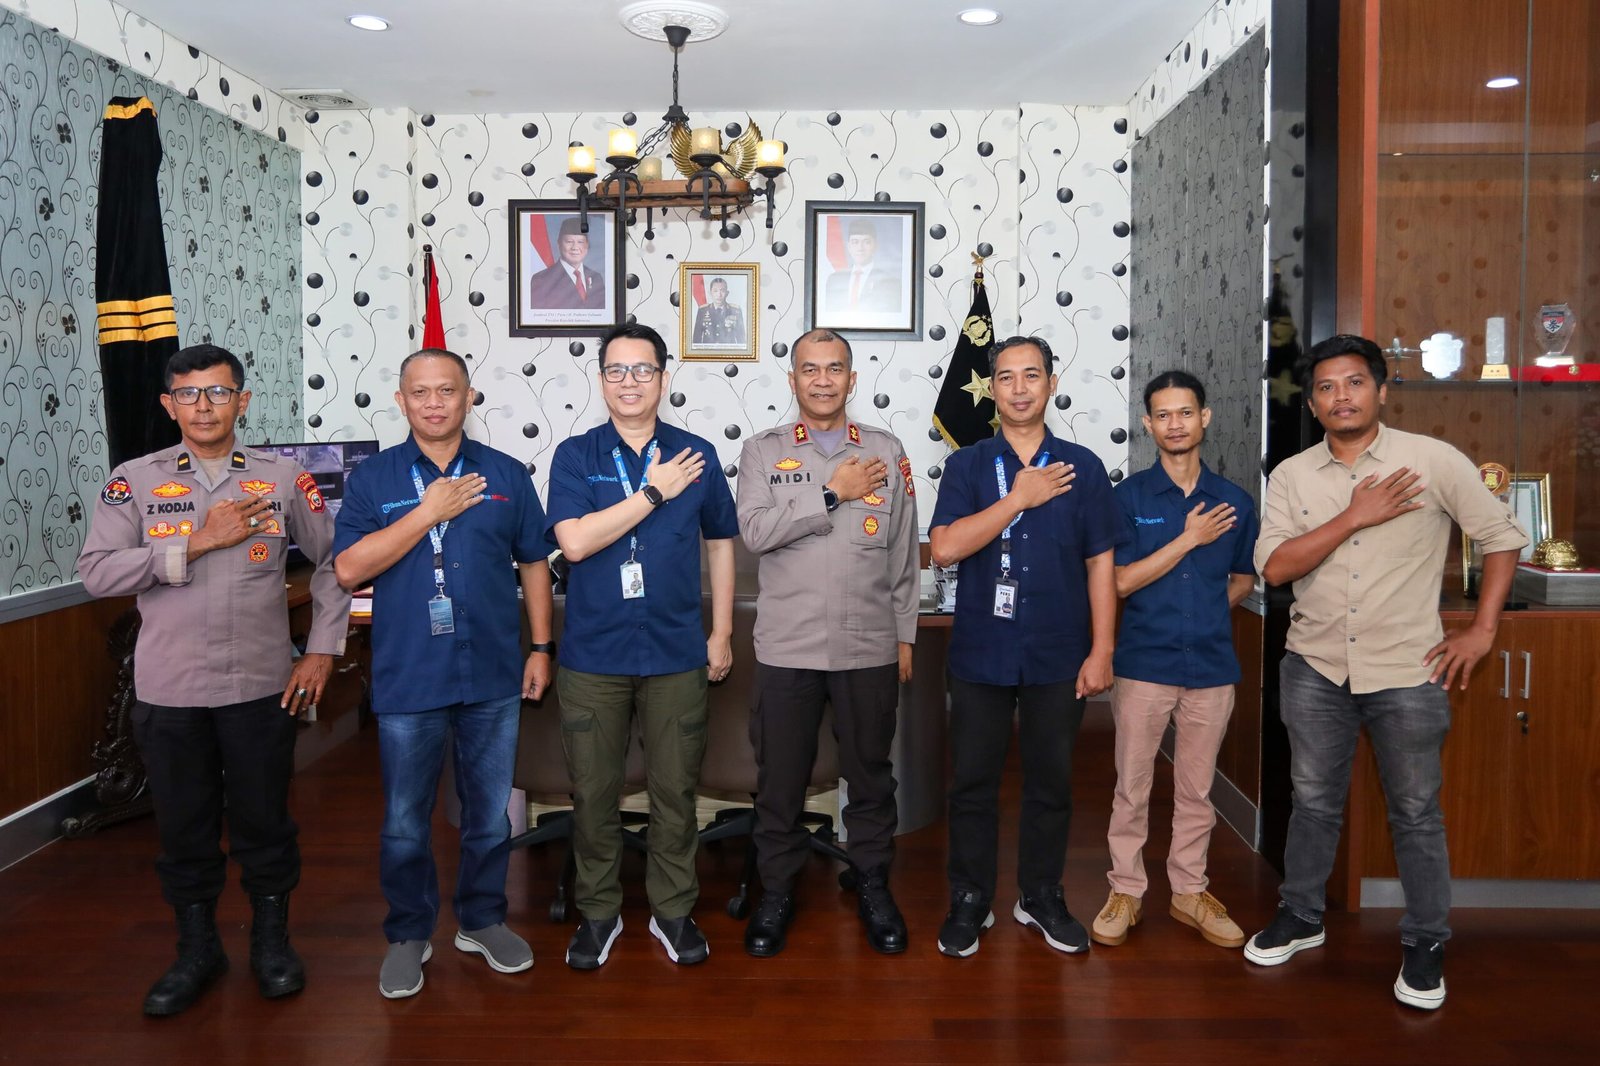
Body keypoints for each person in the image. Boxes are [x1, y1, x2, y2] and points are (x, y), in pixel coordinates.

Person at [1244, 334, 1527, 1010]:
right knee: (1313, 801)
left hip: (1408, 668)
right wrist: (1354, 516)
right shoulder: (1292, 475)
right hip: (1315, 667)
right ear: (1313, 403)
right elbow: (1275, 568)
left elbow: (1501, 537)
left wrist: (1483, 630)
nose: (1340, 396)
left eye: (1354, 383)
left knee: (1416, 812)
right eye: (1326, 387)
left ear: (1380, 390)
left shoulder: (1432, 461)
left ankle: (1426, 941)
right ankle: (1301, 914)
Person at [79, 343, 349, 1016]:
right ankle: (197, 951)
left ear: (242, 401)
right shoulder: (134, 481)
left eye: (219, 392)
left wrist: (322, 648)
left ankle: (271, 945)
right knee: (184, 830)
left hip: (260, 687)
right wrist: (199, 540)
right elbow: (98, 572)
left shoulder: (283, 479)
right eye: (189, 394)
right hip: (170, 692)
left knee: (265, 824)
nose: (204, 406)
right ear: (169, 404)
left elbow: (334, 562)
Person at [332, 347, 554, 1000]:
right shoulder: (374, 479)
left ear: (469, 397)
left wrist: (541, 647)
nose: (434, 402)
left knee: (490, 815)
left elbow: (534, 562)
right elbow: (348, 569)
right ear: (401, 401)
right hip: (410, 676)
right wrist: (427, 512)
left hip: (492, 673)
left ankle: (482, 921)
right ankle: (409, 934)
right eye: (421, 392)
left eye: (447, 390)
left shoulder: (506, 474)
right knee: (406, 820)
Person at [546, 323, 738, 970]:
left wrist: (722, 631)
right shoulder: (576, 456)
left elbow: (720, 543)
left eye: (643, 370)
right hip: (593, 655)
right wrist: (653, 492)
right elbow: (575, 543)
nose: (630, 382)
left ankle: (673, 911)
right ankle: (598, 913)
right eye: (617, 370)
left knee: (675, 792)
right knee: (593, 794)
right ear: (601, 380)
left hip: (676, 651)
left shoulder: (696, 454)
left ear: (663, 377)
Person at [928, 335, 1121, 958]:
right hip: (982, 651)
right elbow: (945, 548)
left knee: (1051, 783)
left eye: (1031, 375)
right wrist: (1018, 498)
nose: (1019, 388)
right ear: (992, 388)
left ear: (1051, 384)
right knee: (972, 784)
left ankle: (1040, 895)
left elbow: (1100, 562)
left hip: (1058, 651)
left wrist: (1102, 650)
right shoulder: (967, 465)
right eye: (1006, 377)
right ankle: (969, 899)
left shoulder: (1083, 467)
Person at [735, 328, 919, 958]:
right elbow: (756, 532)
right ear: (792, 380)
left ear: (852, 378)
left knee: (870, 779)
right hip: (788, 647)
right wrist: (833, 492)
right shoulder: (762, 452)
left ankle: (871, 884)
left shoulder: (887, 450)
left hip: (868, 645)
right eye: (809, 369)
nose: (822, 380)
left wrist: (904, 636)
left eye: (834, 368)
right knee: (780, 782)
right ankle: (777, 892)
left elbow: (902, 554)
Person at [1090, 370, 1257, 951]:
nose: (1175, 424)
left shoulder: (1235, 501)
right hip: (1144, 665)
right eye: (1162, 415)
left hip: (1211, 668)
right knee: (1131, 788)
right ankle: (1126, 891)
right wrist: (1187, 539)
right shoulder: (1128, 499)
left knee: (1196, 792)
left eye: (1185, 412)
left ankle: (1189, 891)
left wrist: (1204, 609)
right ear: (1148, 424)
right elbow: (1118, 581)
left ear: (1204, 417)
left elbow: (1242, 579)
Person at [526, 217, 607, 310]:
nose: (575, 247)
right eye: (569, 242)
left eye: (580, 242)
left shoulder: (596, 278)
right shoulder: (541, 280)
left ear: (587, 245)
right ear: (559, 243)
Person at [823, 220, 902, 315]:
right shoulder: (834, 280)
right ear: (848, 246)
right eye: (855, 242)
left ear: (875, 245)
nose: (860, 248)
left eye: (867, 242)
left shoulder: (890, 283)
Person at [692, 277, 745, 347]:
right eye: (715, 291)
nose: (719, 295)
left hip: (728, 351)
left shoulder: (736, 311)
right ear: (710, 293)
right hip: (708, 351)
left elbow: (741, 340)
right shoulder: (702, 311)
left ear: (727, 293)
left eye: (722, 291)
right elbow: (696, 340)